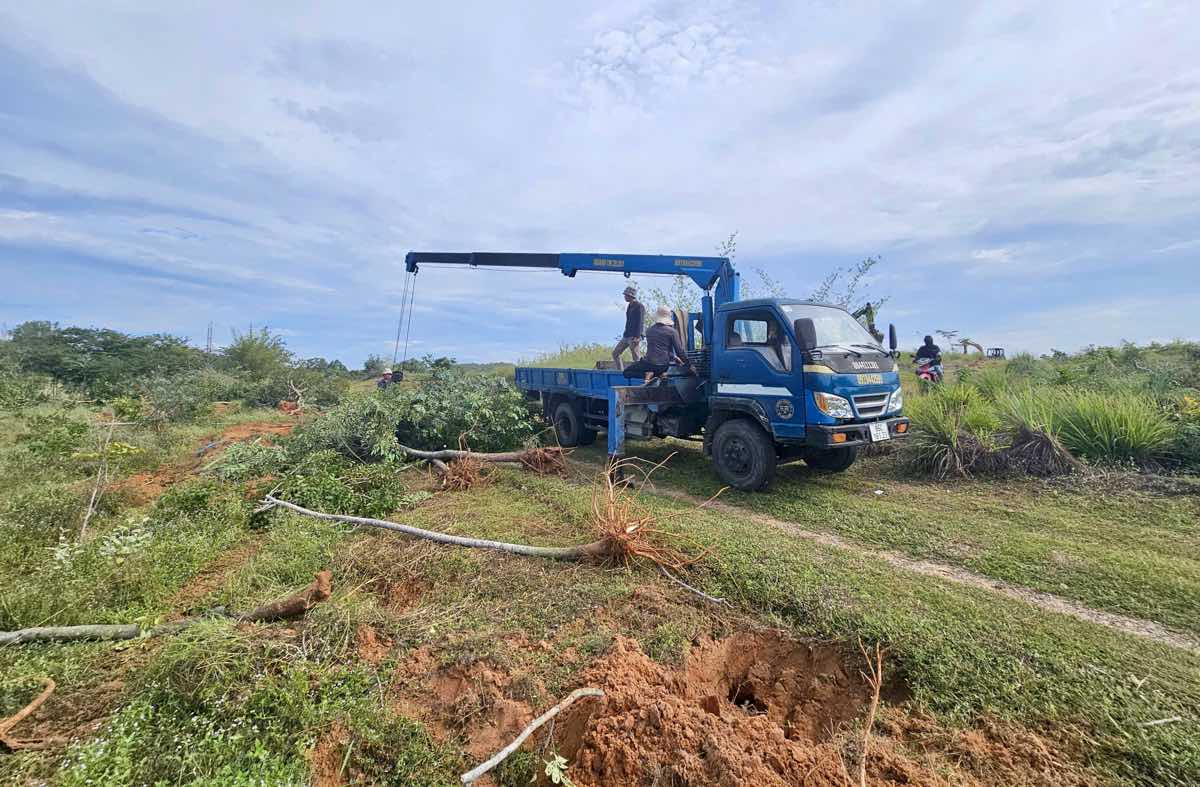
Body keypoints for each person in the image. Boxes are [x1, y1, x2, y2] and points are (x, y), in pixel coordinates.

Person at [622, 306, 696, 382]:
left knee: (626, 372)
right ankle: (660, 374)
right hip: (663, 366)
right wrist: (689, 365)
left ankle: (648, 374)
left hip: (649, 364)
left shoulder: (649, 330)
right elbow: (679, 351)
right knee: (658, 369)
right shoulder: (672, 332)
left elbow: (656, 349)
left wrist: (673, 357)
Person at [611, 286, 645, 371]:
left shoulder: (639, 306)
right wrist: (625, 333)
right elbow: (628, 321)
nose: (625, 297)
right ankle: (620, 371)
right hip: (627, 335)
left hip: (634, 336)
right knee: (615, 353)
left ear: (631, 296)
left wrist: (637, 336)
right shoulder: (630, 306)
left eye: (626, 295)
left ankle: (639, 373)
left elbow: (640, 322)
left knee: (636, 357)